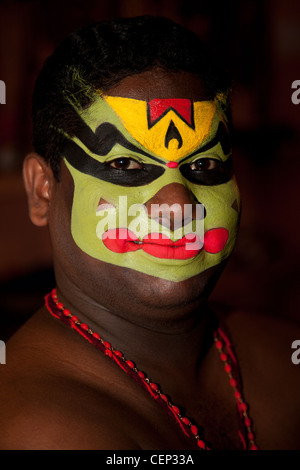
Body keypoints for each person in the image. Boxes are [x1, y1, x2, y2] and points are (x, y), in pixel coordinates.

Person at [0, 15, 299, 451]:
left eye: (205, 165)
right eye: (125, 165)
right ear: (42, 190)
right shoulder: (42, 432)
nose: (178, 205)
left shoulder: (282, 357)